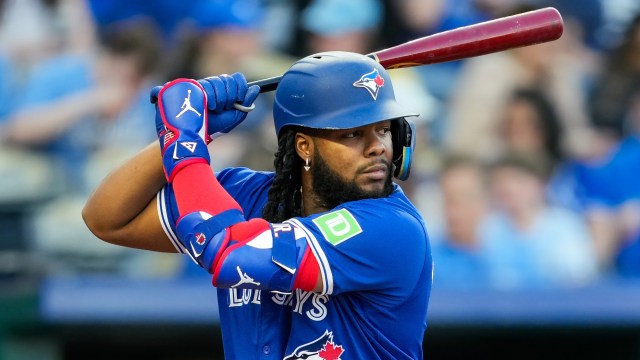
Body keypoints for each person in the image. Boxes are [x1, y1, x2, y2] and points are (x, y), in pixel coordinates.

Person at [83, 51, 432, 359]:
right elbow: (106, 219)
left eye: (384, 130)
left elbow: (231, 254)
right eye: (352, 134)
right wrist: (185, 133)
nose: (378, 148)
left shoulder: (394, 229)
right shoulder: (248, 195)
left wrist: (185, 143)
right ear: (304, 147)